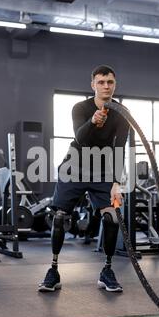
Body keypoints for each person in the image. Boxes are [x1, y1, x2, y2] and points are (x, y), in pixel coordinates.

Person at [38, 65, 131, 293]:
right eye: (101, 82)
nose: (106, 86)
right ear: (93, 85)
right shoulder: (80, 107)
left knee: (111, 219)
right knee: (59, 218)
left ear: (114, 85)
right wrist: (93, 121)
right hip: (74, 166)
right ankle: (53, 270)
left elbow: (119, 148)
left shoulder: (122, 112)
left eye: (110, 82)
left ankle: (107, 270)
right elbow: (79, 137)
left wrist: (117, 183)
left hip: (103, 170)